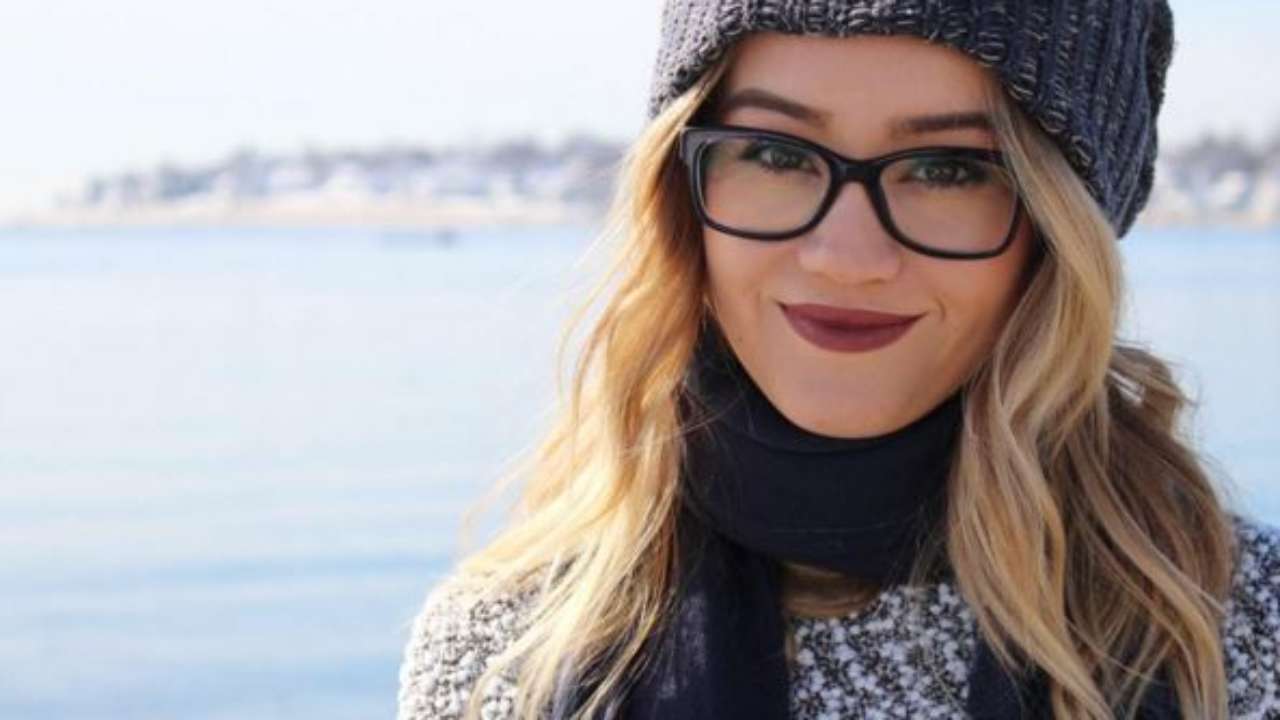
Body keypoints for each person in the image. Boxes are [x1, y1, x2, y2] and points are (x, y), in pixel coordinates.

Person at [397, 1, 1280, 718]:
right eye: (776, 154)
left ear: (1061, 230)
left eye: (948, 170)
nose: (845, 256)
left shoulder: (1235, 634)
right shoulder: (504, 650)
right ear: (681, 198)